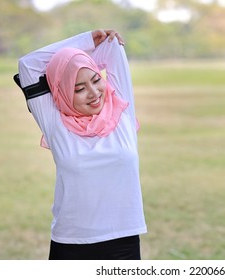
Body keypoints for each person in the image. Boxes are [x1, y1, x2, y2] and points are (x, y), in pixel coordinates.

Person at [15, 29, 147, 260]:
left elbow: (111, 47)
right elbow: (28, 65)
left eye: (97, 80)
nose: (94, 93)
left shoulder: (122, 111)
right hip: (71, 243)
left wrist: (82, 59)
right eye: (79, 88)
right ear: (63, 91)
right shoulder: (55, 124)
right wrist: (85, 41)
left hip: (124, 241)